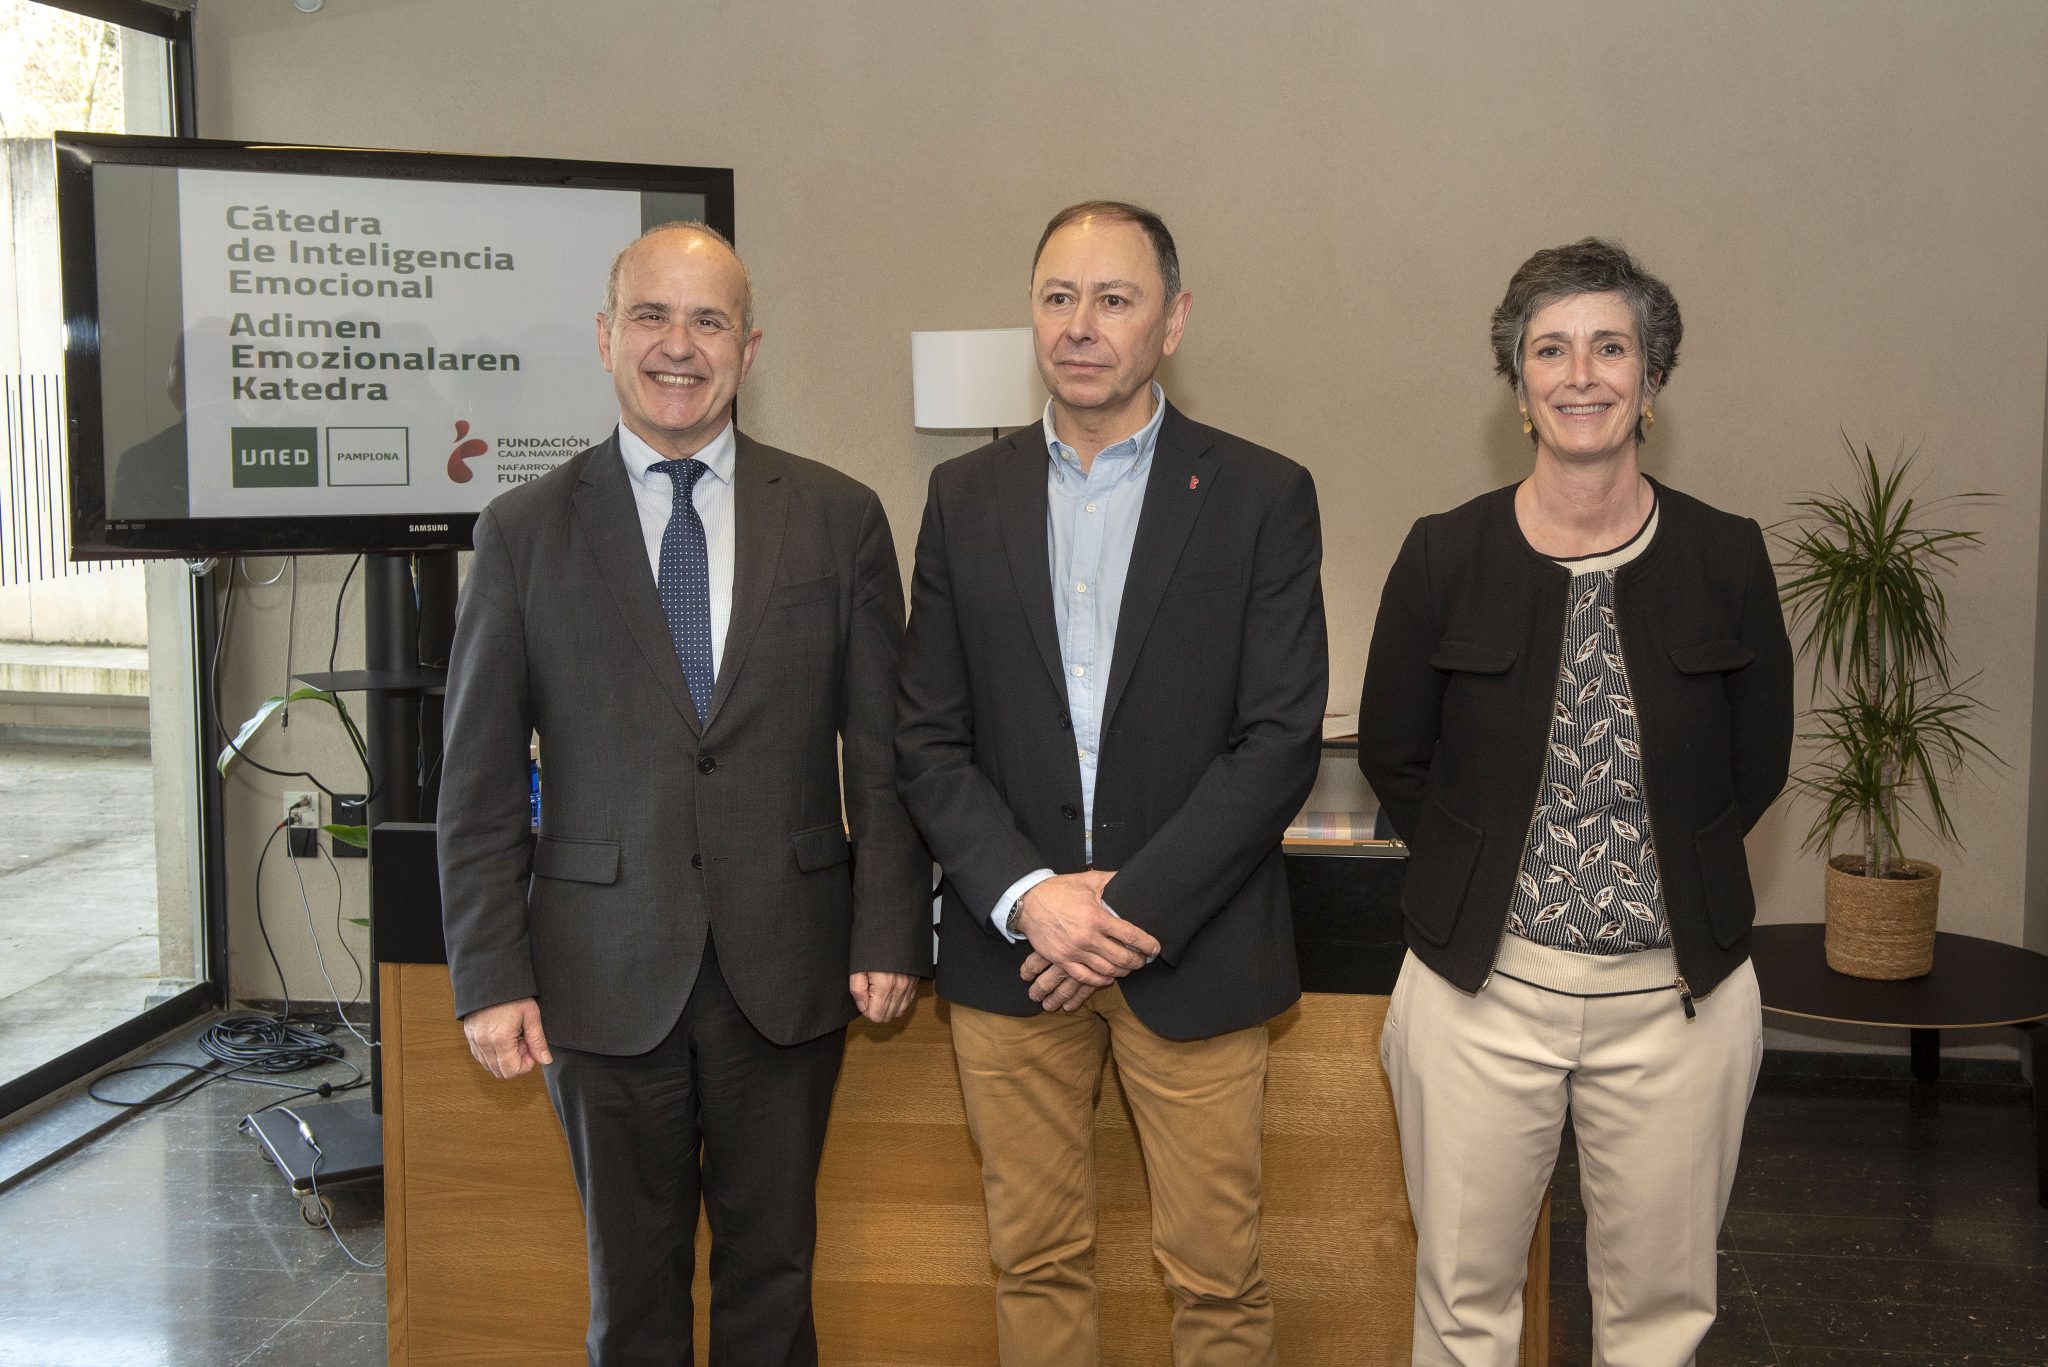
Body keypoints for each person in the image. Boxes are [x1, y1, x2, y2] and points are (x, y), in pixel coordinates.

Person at [437, 222, 930, 1367]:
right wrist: (491, 972)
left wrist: (889, 927)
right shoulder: (521, 531)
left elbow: (884, 752)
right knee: (632, 1292)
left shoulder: (838, 516)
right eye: (651, 316)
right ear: (605, 337)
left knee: (774, 1279)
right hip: (598, 970)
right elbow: (477, 779)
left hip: (790, 963)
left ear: (747, 349)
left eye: (708, 321)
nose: (678, 345)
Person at [897, 200, 1328, 1367]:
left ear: (1171, 320)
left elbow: (1277, 738)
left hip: (1192, 948)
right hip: (1012, 954)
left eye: (1113, 298)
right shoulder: (962, 496)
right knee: (1031, 1262)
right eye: (1057, 297)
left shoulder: (1258, 493)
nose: (1079, 324)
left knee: (1216, 1277)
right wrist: (1031, 896)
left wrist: (1119, 911)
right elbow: (926, 738)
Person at [1357, 237, 1794, 1365]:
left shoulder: (1725, 557)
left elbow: (1755, 765)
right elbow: (1397, 756)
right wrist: (1482, 883)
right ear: (1518, 385)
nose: (1581, 373)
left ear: (1651, 378)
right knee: (1462, 1307)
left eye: (1610, 346)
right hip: (1478, 995)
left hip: (1677, 1004)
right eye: (1549, 349)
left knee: (1657, 1317)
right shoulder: (1443, 555)